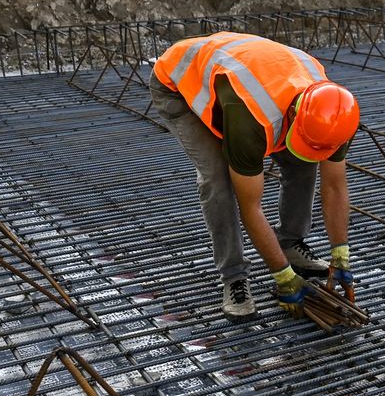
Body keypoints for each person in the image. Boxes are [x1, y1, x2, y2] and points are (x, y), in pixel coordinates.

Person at [148, 32, 361, 321]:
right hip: (178, 85)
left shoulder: (335, 113)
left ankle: (289, 242)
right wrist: (282, 277)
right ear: (296, 116)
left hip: (245, 75)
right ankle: (234, 276)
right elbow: (251, 206)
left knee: (303, 161)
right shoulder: (251, 118)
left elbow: (335, 186)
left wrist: (341, 253)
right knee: (218, 180)